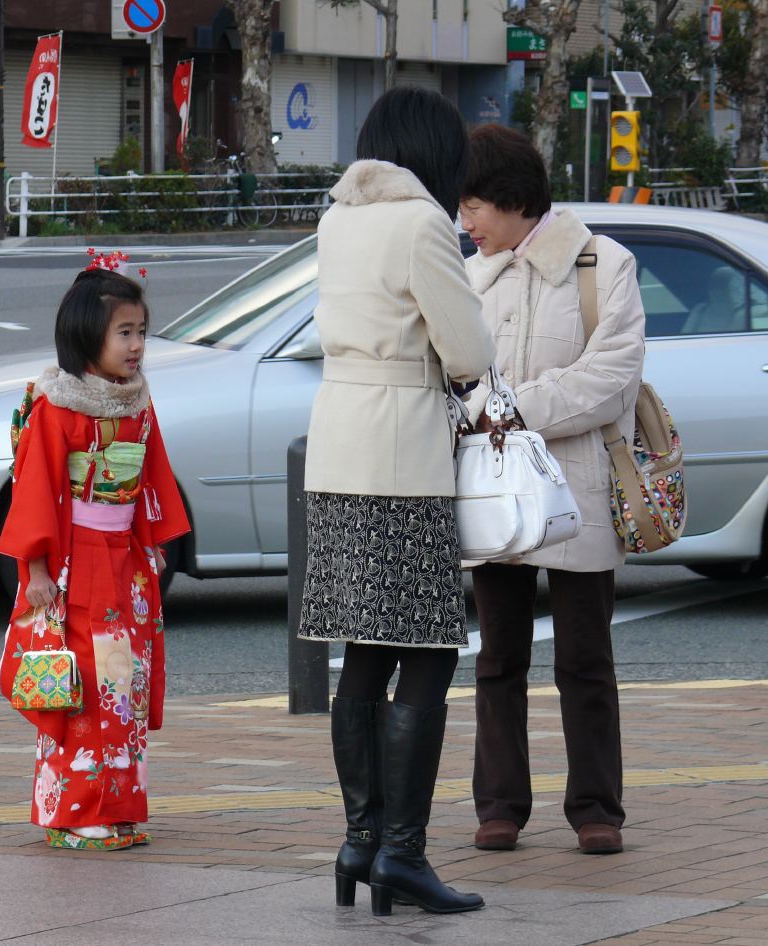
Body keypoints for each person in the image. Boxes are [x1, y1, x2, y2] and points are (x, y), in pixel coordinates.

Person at [297, 86, 495, 916]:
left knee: (367, 646)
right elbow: (470, 349)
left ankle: (361, 842)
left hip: (338, 444)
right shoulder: (421, 225)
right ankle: (403, 854)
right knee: (430, 646)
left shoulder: (338, 217)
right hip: (400, 451)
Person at [457, 124, 645, 856]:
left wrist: (509, 408)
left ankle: (597, 807)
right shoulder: (471, 275)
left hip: (581, 486)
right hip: (496, 492)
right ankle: (499, 804)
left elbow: (611, 379)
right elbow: (454, 375)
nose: (465, 223)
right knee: (498, 656)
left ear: (509, 200)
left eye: (472, 206)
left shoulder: (605, 265)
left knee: (585, 660)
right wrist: (486, 405)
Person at [0, 260, 190, 851]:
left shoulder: (137, 404)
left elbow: (152, 478)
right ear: (88, 337)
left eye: (141, 332)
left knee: (123, 683)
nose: (136, 346)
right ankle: (76, 812)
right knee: (83, 682)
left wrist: (151, 544)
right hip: (76, 561)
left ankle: (120, 805)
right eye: (123, 333)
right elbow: (33, 489)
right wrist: (33, 570)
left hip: (123, 557)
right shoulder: (56, 407)